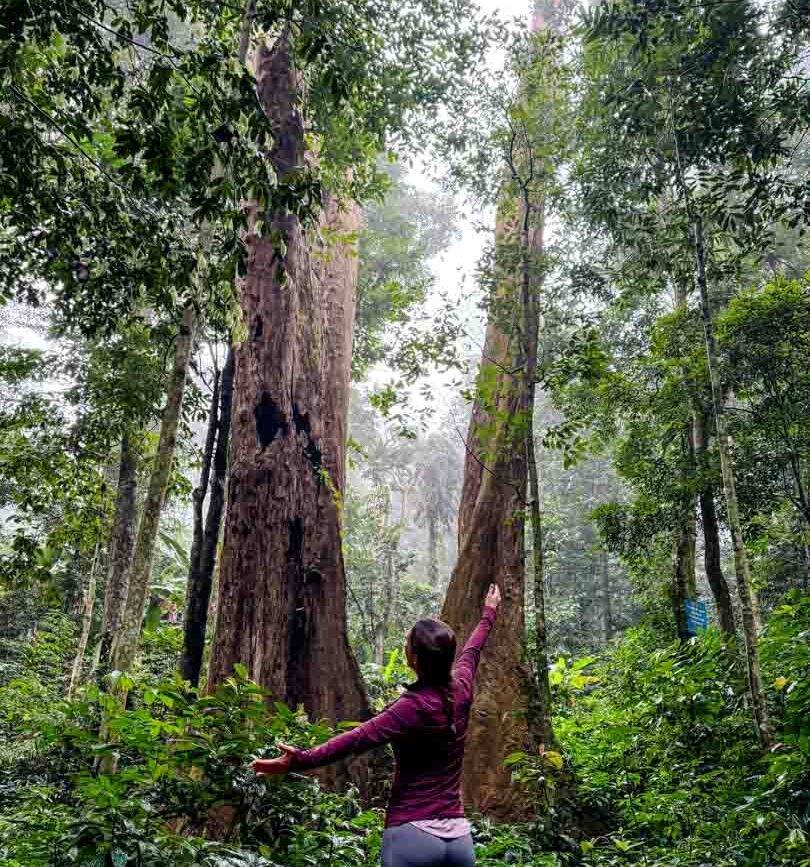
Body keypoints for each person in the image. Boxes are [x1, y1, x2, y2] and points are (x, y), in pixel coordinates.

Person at [251, 583, 502, 867]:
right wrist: (488, 613)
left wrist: (299, 760)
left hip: (412, 835)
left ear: (414, 659)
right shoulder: (463, 688)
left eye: (407, 644)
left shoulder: (410, 707)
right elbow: (472, 651)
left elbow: (355, 739)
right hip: (458, 841)